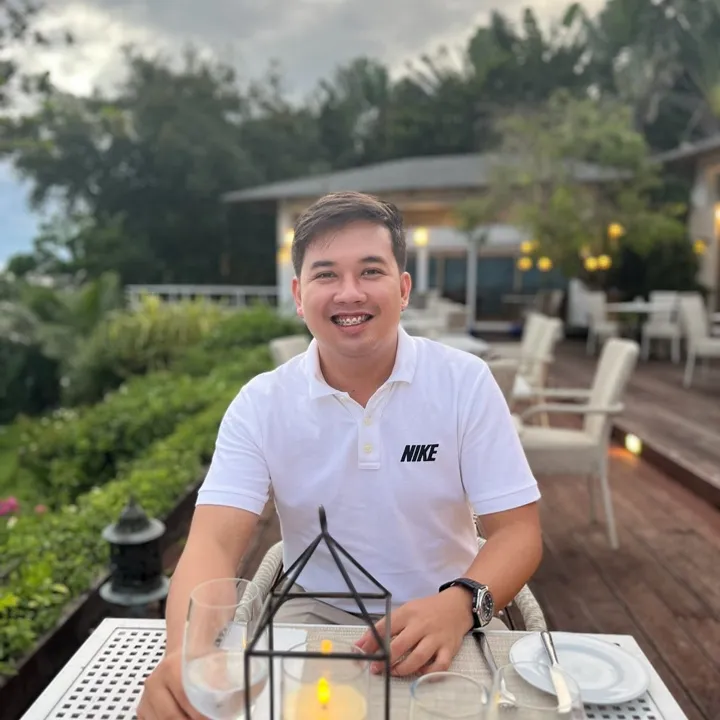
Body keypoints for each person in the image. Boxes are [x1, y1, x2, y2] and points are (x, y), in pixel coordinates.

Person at [136, 191, 542, 719]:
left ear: (403, 288)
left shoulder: (464, 382)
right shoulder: (261, 403)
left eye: (371, 271)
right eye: (326, 275)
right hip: (314, 615)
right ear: (299, 295)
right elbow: (212, 541)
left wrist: (460, 605)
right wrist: (184, 655)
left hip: (450, 608)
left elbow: (518, 532)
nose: (350, 293)